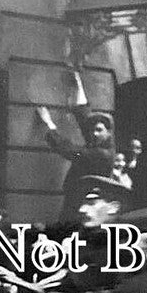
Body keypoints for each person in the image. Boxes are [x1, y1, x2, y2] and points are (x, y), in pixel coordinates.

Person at [35, 69, 116, 222]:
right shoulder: (101, 144)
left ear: (108, 133)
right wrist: (78, 84)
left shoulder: (102, 154)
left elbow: (69, 150)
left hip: (85, 206)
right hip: (82, 202)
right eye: (93, 130)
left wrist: (49, 123)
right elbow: (85, 118)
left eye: (99, 130)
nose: (94, 133)